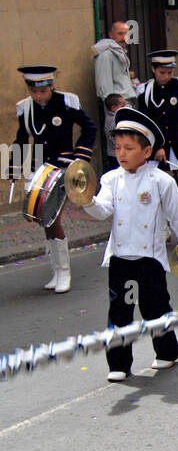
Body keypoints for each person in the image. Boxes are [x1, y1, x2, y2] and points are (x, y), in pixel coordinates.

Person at [83, 105, 178, 380]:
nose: (121, 154)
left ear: (146, 151)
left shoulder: (161, 181)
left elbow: (177, 218)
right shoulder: (110, 179)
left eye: (129, 148)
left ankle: (167, 352)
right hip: (121, 259)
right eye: (118, 147)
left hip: (150, 259)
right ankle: (119, 365)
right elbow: (103, 210)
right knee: (119, 313)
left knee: (155, 309)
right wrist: (86, 199)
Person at [14, 64, 97, 292]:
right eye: (33, 91)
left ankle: (64, 272)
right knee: (44, 220)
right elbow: (21, 139)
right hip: (40, 169)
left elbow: (89, 128)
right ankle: (56, 270)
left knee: (53, 218)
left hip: (63, 168)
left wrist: (80, 157)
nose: (38, 96)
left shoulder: (66, 102)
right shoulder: (26, 109)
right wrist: (12, 167)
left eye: (42, 90)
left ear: (51, 86)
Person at [137, 49, 178, 238]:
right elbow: (145, 122)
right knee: (161, 189)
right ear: (153, 70)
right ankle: (163, 231)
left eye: (169, 72)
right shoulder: (145, 91)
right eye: (162, 72)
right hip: (158, 148)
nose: (166, 76)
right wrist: (156, 148)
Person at [92, 20, 137, 166]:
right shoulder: (106, 54)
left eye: (126, 34)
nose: (124, 37)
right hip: (117, 107)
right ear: (111, 35)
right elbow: (104, 88)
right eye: (120, 33)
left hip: (125, 104)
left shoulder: (118, 52)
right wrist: (114, 108)